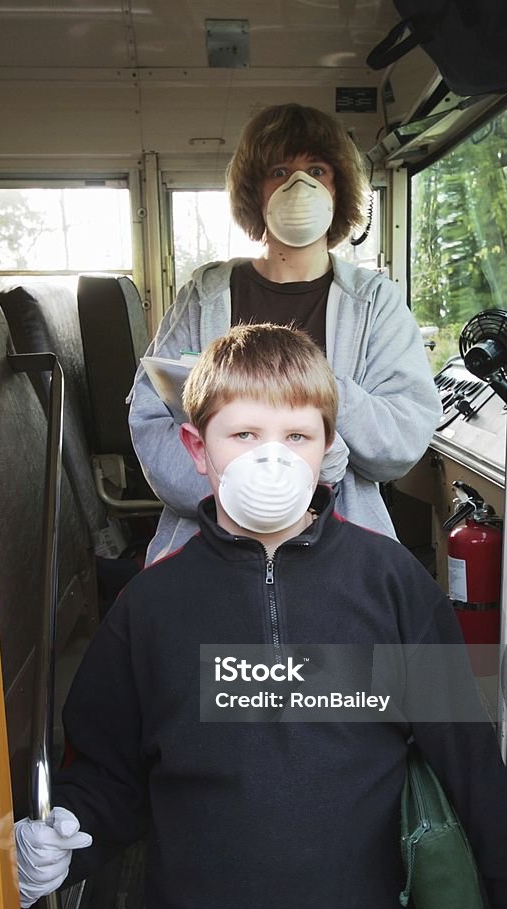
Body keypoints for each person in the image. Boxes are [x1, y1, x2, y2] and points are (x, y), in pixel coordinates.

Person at [16, 324, 507, 909]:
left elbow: (472, 777)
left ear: (329, 450)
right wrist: (64, 831)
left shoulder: (390, 583)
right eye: (242, 436)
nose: (271, 458)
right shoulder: (148, 608)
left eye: (296, 437)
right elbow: (111, 773)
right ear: (195, 450)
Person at [128, 102, 442, 564]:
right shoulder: (206, 294)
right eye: (280, 170)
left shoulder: (376, 301)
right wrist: (234, 493)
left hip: (339, 545)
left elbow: (401, 441)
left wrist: (323, 391)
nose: (301, 186)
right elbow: (150, 418)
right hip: (210, 545)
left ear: (340, 189)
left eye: (317, 169)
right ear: (255, 192)